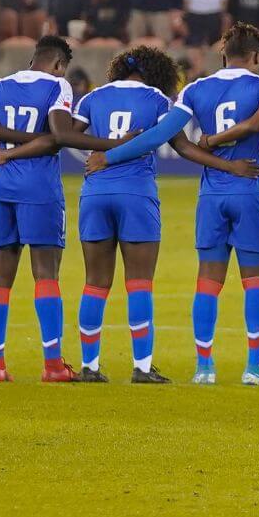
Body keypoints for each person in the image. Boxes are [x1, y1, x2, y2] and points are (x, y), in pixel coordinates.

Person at [92, 26, 259, 383]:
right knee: (256, 282)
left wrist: (109, 157)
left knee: (207, 281)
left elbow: (160, 135)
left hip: (211, 197)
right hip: (250, 188)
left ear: (223, 56)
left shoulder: (195, 89)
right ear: (257, 58)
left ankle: (204, 368)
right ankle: (255, 367)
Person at [61, 46, 182, 383]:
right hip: (136, 194)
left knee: (95, 283)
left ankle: (89, 366)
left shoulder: (92, 98)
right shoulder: (158, 99)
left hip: (95, 192)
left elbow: (65, 134)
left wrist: (103, 148)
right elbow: (179, 144)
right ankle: (142, 368)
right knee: (139, 283)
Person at [0, 37, 77, 381]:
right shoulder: (59, 86)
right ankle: (52, 366)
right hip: (39, 187)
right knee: (46, 273)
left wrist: (9, 150)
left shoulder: (0, 86)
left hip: (1, 185)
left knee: (0, 272)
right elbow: (60, 136)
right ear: (60, 64)